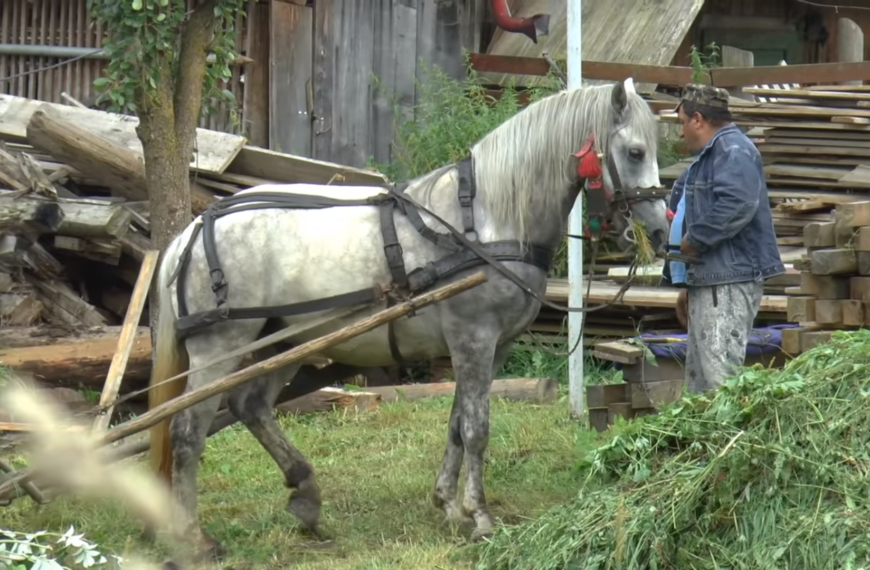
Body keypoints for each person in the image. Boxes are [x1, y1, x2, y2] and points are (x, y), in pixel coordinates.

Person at [672, 84, 784, 394]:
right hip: (710, 279)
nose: (681, 133)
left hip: (728, 280)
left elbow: (738, 204)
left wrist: (694, 240)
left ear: (698, 119)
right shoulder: (714, 155)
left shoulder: (733, 150)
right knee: (699, 383)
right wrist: (688, 282)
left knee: (721, 382)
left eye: (681, 122)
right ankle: (704, 441)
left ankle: (733, 442)